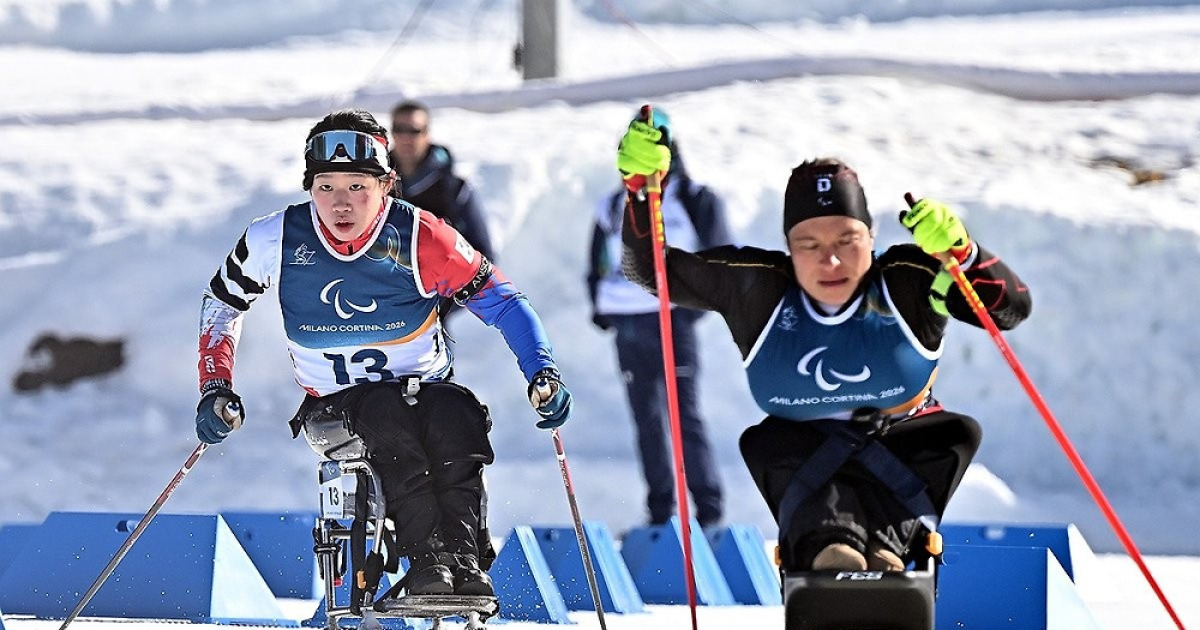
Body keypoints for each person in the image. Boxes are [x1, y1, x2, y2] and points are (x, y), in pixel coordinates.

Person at [614, 113, 1032, 573]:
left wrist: (964, 254)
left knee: (943, 450)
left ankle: (888, 559)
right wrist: (639, 191)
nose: (829, 259)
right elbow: (651, 272)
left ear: (871, 238)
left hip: (904, 459)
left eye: (847, 239)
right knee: (797, 484)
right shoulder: (758, 288)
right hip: (805, 468)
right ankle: (833, 556)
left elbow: (1008, 309)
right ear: (788, 249)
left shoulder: (908, 281)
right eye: (808, 244)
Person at [194, 108, 573, 601]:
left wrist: (542, 370)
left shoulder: (421, 236)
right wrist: (216, 386)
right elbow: (222, 304)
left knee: (456, 413)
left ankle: (463, 561)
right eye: (325, 186)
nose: (340, 203)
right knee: (385, 411)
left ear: (386, 184)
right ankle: (428, 560)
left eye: (358, 186)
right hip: (337, 405)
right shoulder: (276, 237)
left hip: (425, 391)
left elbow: (504, 302)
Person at [586, 109, 732, 529]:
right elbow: (596, 260)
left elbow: (719, 254)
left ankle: (709, 510)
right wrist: (600, 306)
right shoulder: (612, 204)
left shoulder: (694, 197)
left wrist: (691, 306)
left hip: (672, 319)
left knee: (684, 414)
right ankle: (660, 511)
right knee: (646, 419)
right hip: (628, 322)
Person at [390, 100, 496, 264]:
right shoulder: (375, 185)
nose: (406, 137)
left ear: (427, 133)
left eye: (414, 130)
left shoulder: (455, 189)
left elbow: (484, 257)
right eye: (399, 129)